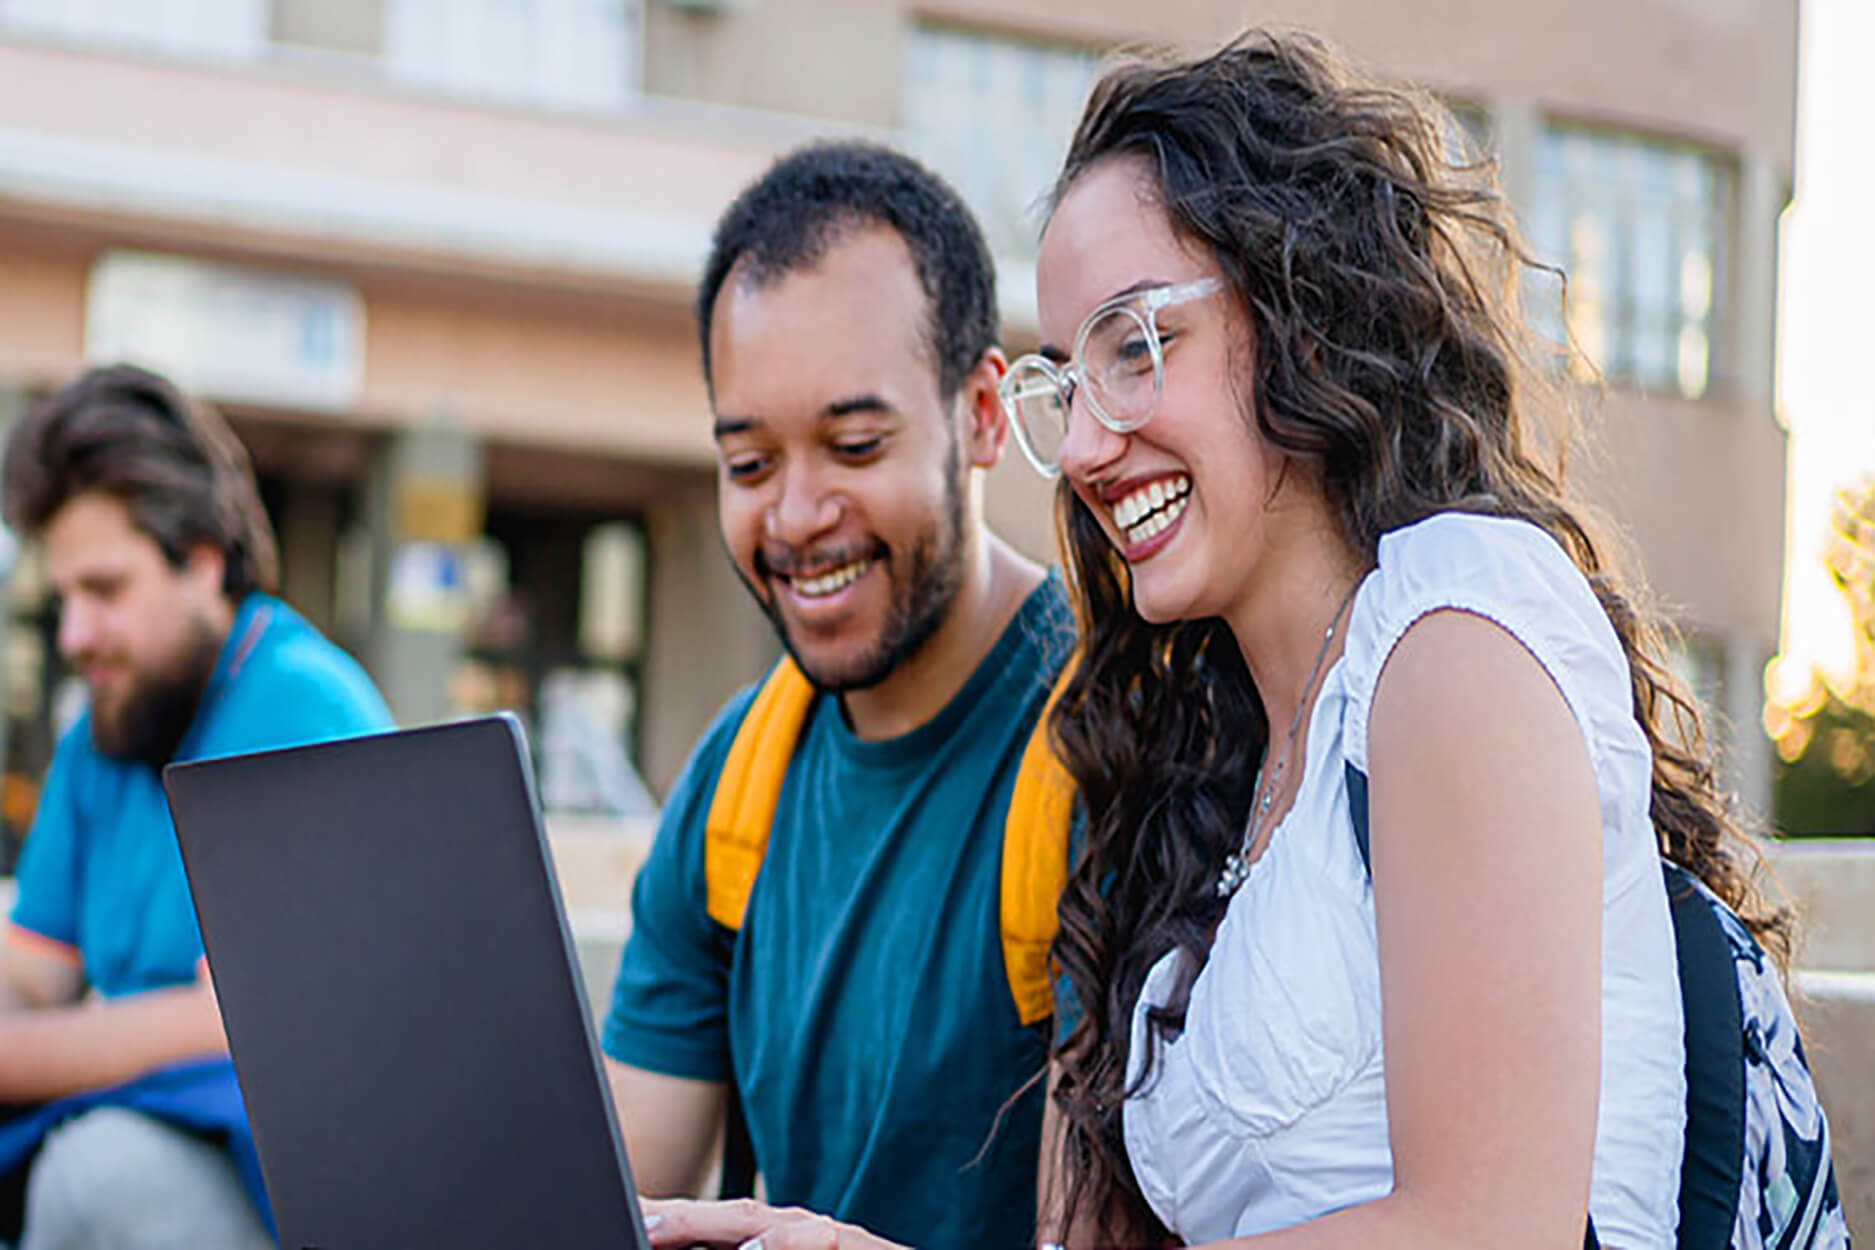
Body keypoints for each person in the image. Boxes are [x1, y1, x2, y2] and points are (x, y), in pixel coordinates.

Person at [641, 30, 1824, 1250]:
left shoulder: (1453, 638)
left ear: (1299, 318)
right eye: (1069, 381)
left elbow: (1491, 1225)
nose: (1090, 445)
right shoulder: (1194, 754)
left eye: (1136, 348)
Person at [601, 142, 1075, 1250]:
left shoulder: (1103, 747)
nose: (798, 515)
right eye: (750, 464)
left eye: (853, 444)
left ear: (984, 416)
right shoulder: (739, 781)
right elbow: (621, 1185)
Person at [0, 364, 393, 1249]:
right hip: (137, 1127)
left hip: (295, 1176)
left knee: (97, 1174)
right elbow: (32, 973)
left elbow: (243, 1020)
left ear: (204, 564)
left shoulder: (304, 706)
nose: (73, 637)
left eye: (104, 591)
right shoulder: (105, 726)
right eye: (63, 600)